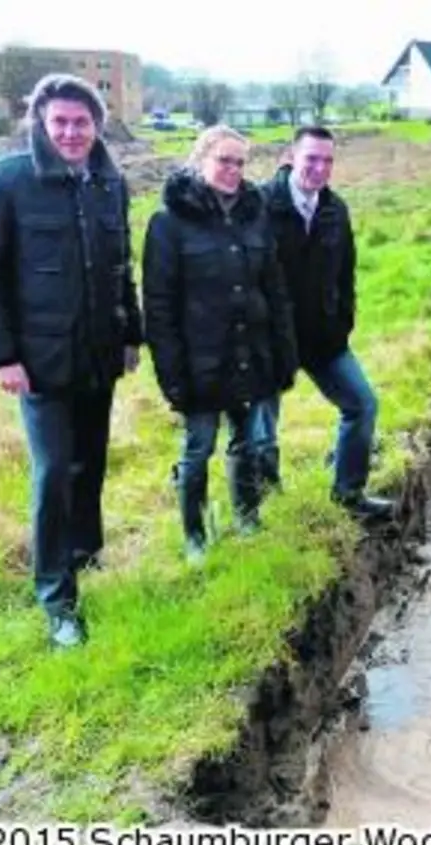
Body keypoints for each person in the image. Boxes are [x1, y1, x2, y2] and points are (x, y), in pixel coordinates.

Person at [0, 73, 142, 649]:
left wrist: (130, 334)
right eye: (59, 121)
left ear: (97, 126)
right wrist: (1, 354)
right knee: (54, 472)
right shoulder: (7, 180)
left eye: (81, 122)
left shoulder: (109, 182)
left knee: (91, 462)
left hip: (98, 354)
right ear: (39, 121)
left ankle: (85, 553)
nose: (70, 132)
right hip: (40, 362)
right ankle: (57, 597)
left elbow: (120, 268)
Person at [141, 125, 296, 559]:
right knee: (198, 447)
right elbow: (158, 306)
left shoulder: (255, 215)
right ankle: (195, 536)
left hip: (252, 355)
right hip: (200, 364)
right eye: (224, 160)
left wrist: (284, 354)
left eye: (241, 162)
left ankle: (247, 519)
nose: (233, 170)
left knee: (246, 443)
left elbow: (275, 290)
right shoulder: (169, 224)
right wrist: (171, 375)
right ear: (200, 160)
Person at [253, 125, 395, 521]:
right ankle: (267, 508)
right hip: (272, 341)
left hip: (323, 339)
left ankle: (348, 494)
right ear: (290, 157)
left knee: (362, 405)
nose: (320, 168)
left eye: (328, 160)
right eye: (311, 158)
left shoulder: (335, 209)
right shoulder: (261, 206)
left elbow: (345, 273)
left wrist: (342, 321)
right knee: (262, 430)